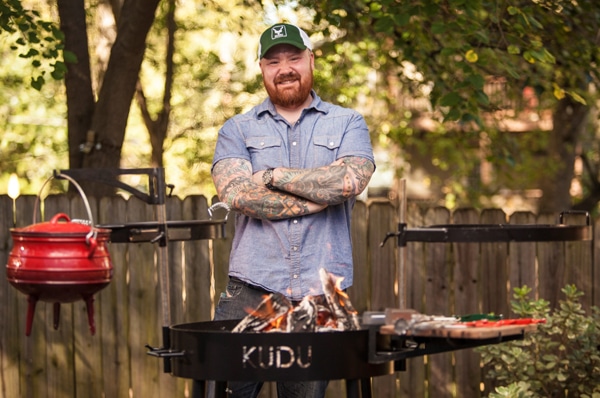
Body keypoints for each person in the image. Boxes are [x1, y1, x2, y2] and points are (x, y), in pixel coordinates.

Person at [209, 22, 375, 398]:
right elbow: (236, 194)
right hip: (251, 291)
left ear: (311, 60)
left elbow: (350, 180)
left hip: (321, 296)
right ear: (262, 69)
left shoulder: (348, 122)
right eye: (273, 61)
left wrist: (270, 175)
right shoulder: (237, 129)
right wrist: (320, 194)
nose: (284, 68)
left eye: (294, 58)